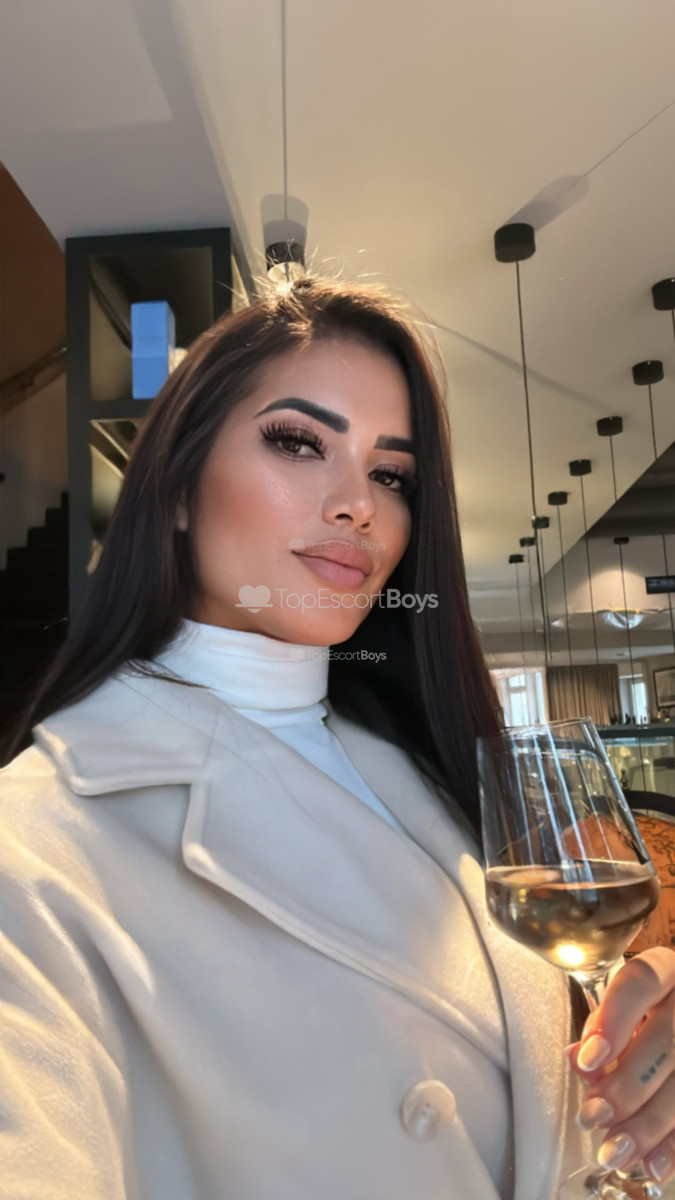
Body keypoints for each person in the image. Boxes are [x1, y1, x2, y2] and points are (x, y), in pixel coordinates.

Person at [1, 277, 673, 1200]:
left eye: (390, 476)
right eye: (297, 442)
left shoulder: (423, 763)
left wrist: (641, 1060)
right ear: (179, 487)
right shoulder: (35, 849)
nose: (358, 504)